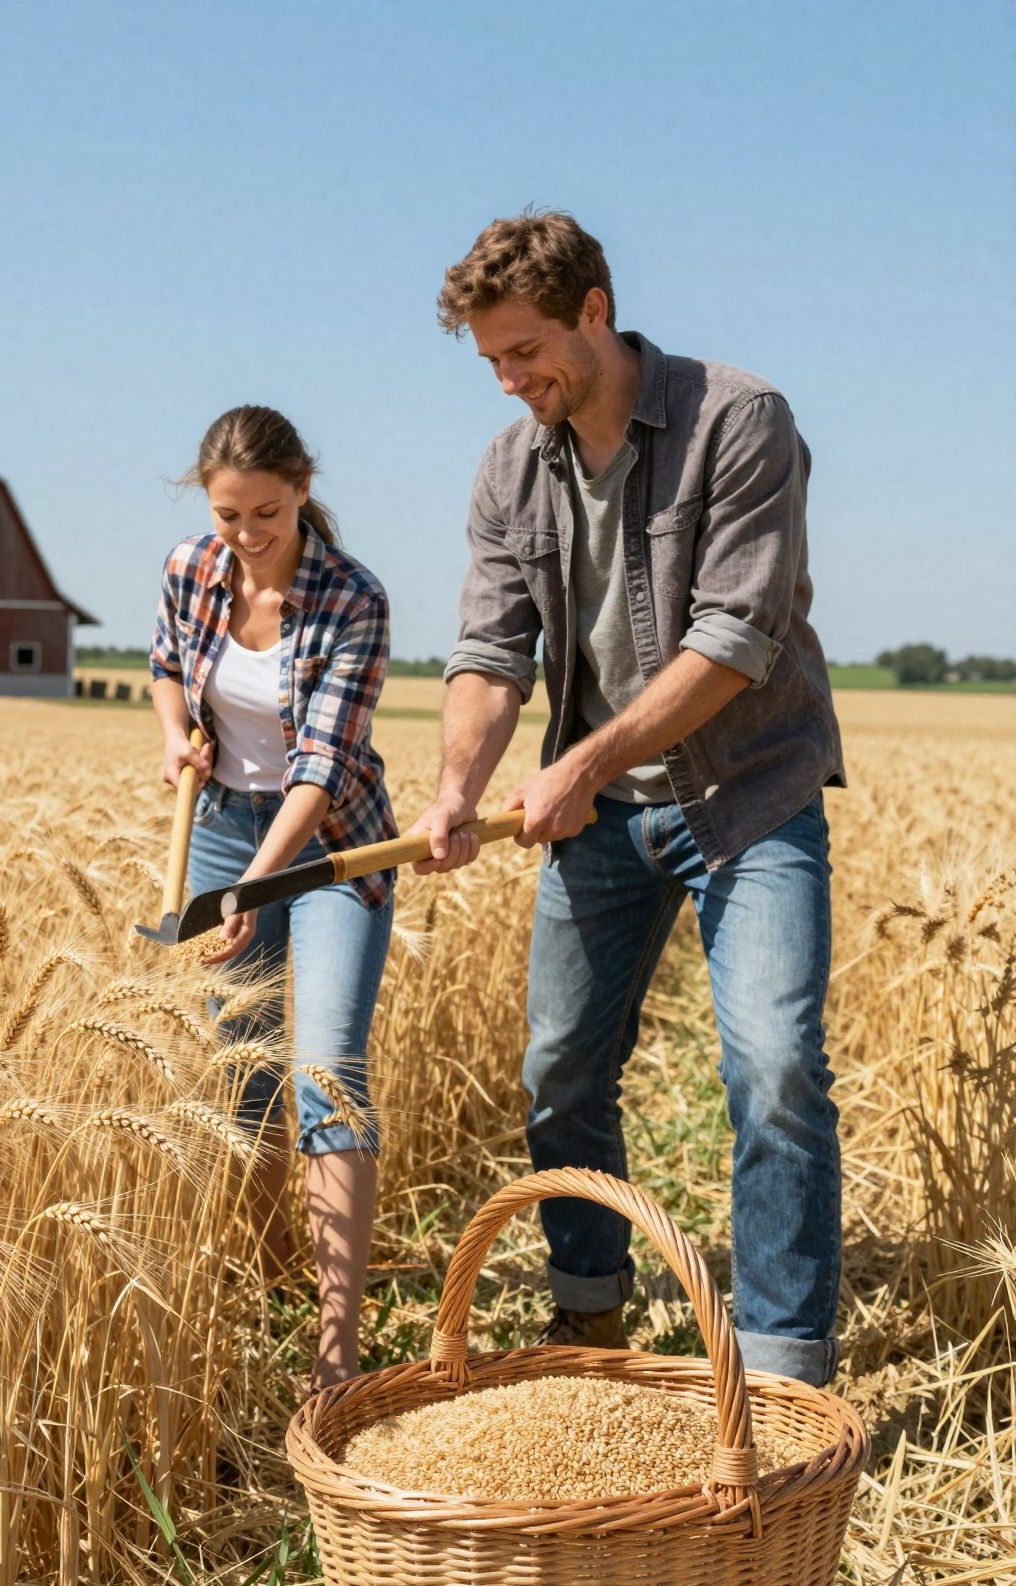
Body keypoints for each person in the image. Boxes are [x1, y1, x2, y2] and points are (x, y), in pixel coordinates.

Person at [411, 211, 846, 1387]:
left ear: (595, 310)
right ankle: (589, 1323)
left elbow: (736, 638)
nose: (510, 381)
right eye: (492, 360)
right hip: (601, 819)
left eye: (526, 351)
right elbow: (489, 651)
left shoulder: (738, 419)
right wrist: (459, 786)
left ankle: (783, 1378)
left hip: (748, 793)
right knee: (559, 1074)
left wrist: (584, 765)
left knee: (775, 1069)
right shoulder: (511, 466)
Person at [149, 406, 396, 1393]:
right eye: (228, 515)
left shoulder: (353, 597)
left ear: (302, 489)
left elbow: (322, 768)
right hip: (221, 827)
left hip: (331, 844)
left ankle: (337, 1351)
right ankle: (271, 1272)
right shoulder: (189, 568)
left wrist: (259, 883)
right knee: (241, 1076)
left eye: (267, 513)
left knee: (326, 1072)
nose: (247, 535)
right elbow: (168, 669)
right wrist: (176, 736)